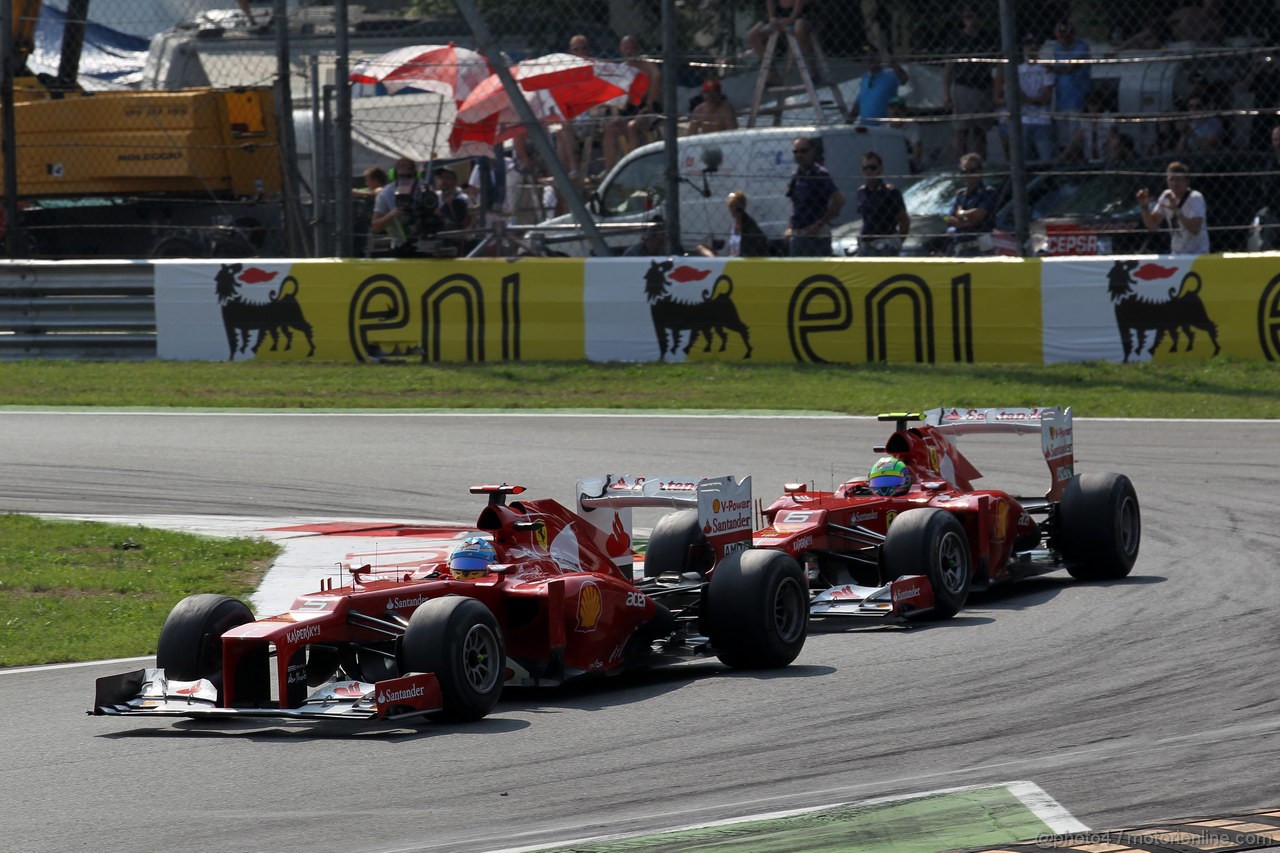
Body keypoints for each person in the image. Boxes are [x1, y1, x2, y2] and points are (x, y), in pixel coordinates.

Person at [942, 6, 998, 161]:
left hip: (983, 87)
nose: (971, 21)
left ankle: (981, 164)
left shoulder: (987, 38)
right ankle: (959, 163)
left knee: (981, 131)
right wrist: (946, 93)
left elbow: (996, 65)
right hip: (963, 86)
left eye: (974, 17)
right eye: (967, 17)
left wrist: (995, 91)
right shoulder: (956, 39)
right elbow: (948, 68)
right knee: (961, 131)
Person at [603, 35, 662, 174]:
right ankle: (609, 170)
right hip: (630, 110)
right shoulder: (622, 68)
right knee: (610, 128)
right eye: (626, 48)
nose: (629, 51)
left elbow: (657, 76)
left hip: (649, 108)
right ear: (621, 50)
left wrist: (648, 104)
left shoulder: (646, 64)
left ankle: (635, 167)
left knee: (632, 127)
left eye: (632, 48)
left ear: (637, 48)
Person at [785, 136, 844, 256]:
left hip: (816, 237)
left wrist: (820, 224)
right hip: (798, 234)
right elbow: (795, 204)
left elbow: (839, 200)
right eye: (796, 152)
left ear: (812, 151)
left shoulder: (819, 174)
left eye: (804, 151)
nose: (799, 155)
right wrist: (790, 227)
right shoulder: (796, 175)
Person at [1136, 161, 1209, 255]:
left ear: (1187, 181)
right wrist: (1145, 207)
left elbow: (1195, 229)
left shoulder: (1195, 197)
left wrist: (1176, 211)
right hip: (1176, 253)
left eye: (1178, 179)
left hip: (1197, 253)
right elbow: (1152, 224)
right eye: (1171, 179)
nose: (1175, 183)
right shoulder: (1166, 196)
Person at [854, 150, 909, 256]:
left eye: (873, 168)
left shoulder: (890, 192)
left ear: (880, 169)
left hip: (885, 242)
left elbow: (904, 221)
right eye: (865, 168)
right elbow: (865, 219)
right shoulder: (861, 192)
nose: (869, 171)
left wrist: (897, 242)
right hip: (866, 243)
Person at [943, 152, 999, 256]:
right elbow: (947, 219)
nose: (968, 175)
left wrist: (960, 214)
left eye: (972, 171)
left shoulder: (988, 192)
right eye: (965, 171)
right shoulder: (960, 194)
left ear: (980, 171)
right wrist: (968, 221)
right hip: (960, 246)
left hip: (981, 246)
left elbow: (979, 215)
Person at [1051, 21, 1092, 154]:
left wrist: (1050, 68)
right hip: (1061, 99)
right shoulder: (1057, 49)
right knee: (1063, 139)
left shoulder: (1081, 47)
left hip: (1078, 99)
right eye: (1060, 37)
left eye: (1066, 36)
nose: (1063, 39)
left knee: (1077, 138)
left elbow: (1069, 68)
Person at [1017, 34, 1056, 164]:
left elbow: (1046, 97)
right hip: (1024, 119)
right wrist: (1034, 100)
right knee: (1024, 160)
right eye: (1028, 45)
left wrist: (1028, 100)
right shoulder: (1018, 70)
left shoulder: (1045, 69)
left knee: (1046, 159)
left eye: (1034, 44)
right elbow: (1017, 96)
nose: (1031, 48)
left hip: (1043, 119)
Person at [370, 156, 420, 255]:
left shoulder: (423, 190)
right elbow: (375, 226)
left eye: (408, 175)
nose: (405, 179)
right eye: (402, 176)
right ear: (394, 175)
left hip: (425, 243)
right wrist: (391, 215)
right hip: (401, 246)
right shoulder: (385, 193)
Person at [696, 191, 769, 257]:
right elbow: (730, 248)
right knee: (700, 248)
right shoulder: (733, 226)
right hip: (729, 259)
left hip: (739, 262)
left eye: (736, 207)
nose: (733, 210)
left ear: (743, 207)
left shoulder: (750, 228)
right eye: (731, 207)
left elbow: (750, 250)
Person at [747, 0, 817, 69]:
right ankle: (771, 71)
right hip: (780, 12)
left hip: (802, 11)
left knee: (799, 29)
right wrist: (772, 17)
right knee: (752, 35)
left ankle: (812, 67)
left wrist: (792, 18)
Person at [848, 46, 908, 126]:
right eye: (866, 57)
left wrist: (891, 62)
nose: (869, 59)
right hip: (865, 127)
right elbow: (859, 102)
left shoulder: (890, 74)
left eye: (872, 56)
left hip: (883, 127)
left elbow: (904, 78)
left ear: (879, 58)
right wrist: (848, 122)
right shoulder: (865, 78)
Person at [885, 96, 924, 173]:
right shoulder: (883, 129)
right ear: (887, 110)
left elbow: (916, 147)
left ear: (905, 111)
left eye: (899, 108)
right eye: (892, 107)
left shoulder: (912, 127)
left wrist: (915, 165)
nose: (895, 111)